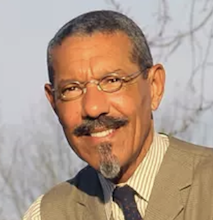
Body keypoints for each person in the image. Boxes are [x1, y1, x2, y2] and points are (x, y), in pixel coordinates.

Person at [23, 10, 213, 220]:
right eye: (72, 89)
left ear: (154, 87)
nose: (93, 108)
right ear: (54, 103)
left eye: (112, 81)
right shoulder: (47, 215)